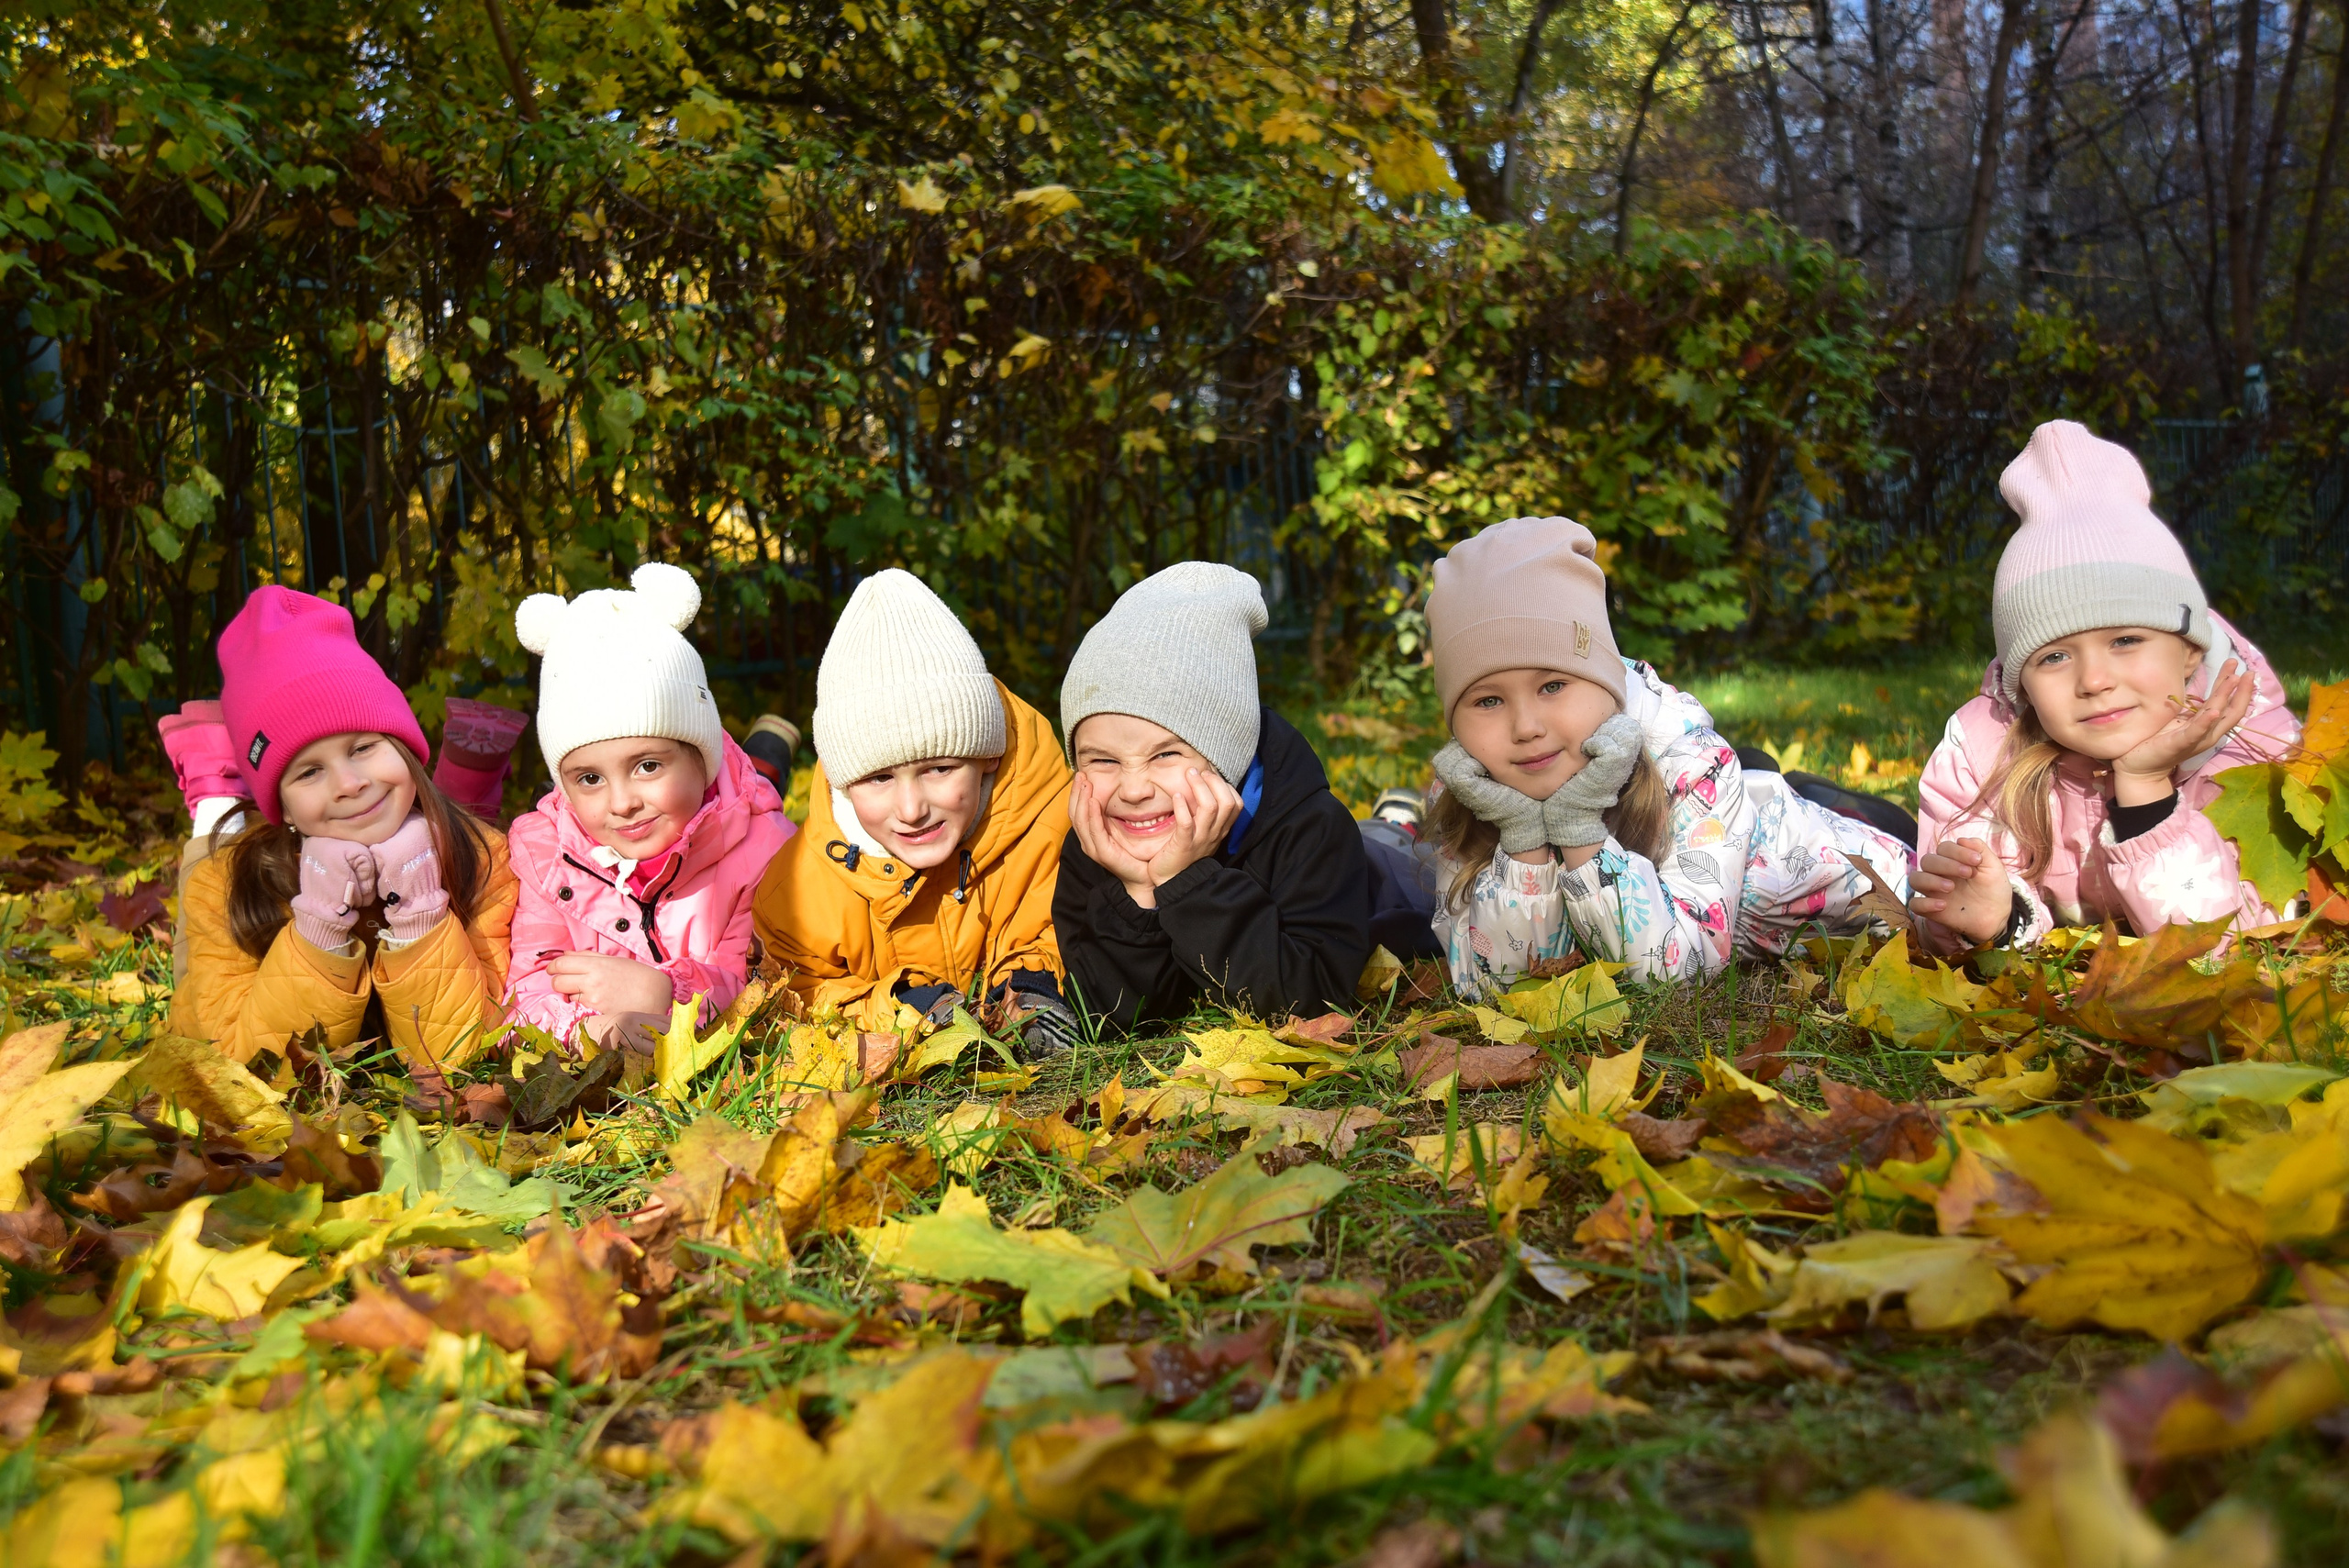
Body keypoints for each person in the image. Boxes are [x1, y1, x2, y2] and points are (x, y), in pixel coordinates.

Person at [1422, 515, 1913, 995]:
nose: (1526, 727)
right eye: (1488, 700)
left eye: (1553, 685)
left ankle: (1819, 798)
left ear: (1607, 681)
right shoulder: (1469, 786)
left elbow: (1674, 973)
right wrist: (1523, 838)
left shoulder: (1692, 765)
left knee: (1895, 851)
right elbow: (1486, 982)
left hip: (1851, 869)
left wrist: (1577, 829)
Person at [1908, 420, 2301, 951]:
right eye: (2054, 656)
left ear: (2189, 651)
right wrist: (1995, 924)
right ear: (2020, 681)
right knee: (1877, 847)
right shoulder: (1983, 752)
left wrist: (2145, 789)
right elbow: (1949, 917)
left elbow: (2223, 945)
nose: (2093, 680)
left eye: (2125, 641)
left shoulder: (2253, 749)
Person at [170, 587, 517, 1071]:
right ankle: (214, 791)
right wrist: (317, 925)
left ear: (406, 749)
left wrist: (419, 912)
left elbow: (467, 1055)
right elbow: (250, 1071)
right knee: (205, 853)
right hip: (246, 865)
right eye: (309, 772)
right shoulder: (224, 886)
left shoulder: (485, 857)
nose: (350, 784)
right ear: (284, 806)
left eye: (363, 747)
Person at [751, 569, 1081, 1055]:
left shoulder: (1048, 822)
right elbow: (796, 994)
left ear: (989, 753)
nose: (912, 809)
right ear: (844, 780)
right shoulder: (798, 891)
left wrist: (1031, 980)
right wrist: (901, 1006)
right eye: (879, 778)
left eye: (940, 769)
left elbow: (1060, 920)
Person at [1053, 562, 1372, 1026]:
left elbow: (1310, 1005)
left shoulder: (1313, 830)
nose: (1135, 789)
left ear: (1227, 753)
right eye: (1103, 761)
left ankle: (1394, 826)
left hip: (1373, 871)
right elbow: (1106, 1016)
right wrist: (1139, 891)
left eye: (1165, 755)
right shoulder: (1096, 843)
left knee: (1393, 866)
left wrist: (1188, 882)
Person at [501, 564, 795, 1051]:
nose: (622, 803)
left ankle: (764, 758)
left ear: (701, 758)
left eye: (648, 766)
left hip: (728, 822)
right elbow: (524, 997)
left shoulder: (766, 851)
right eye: (590, 779)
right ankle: (765, 751)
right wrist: (587, 1032)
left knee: (754, 792)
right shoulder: (546, 853)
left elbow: (767, 985)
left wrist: (665, 993)